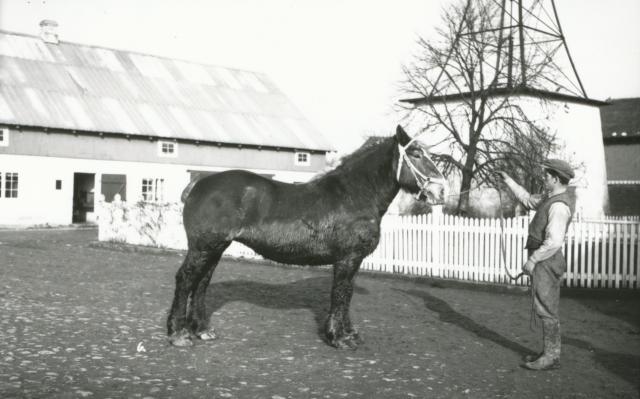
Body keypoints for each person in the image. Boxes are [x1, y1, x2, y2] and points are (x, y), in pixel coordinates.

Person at [498, 159, 575, 371]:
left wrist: (532, 260)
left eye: (547, 176)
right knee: (543, 306)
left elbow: (554, 242)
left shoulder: (559, 206)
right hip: (544, 261)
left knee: (547, 308)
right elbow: (528, 199)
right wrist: (508, 180)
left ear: (556, 179)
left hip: (547, 261)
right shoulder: (549, 198)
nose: (544, 178)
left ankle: (551, 356)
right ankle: (549, 353)